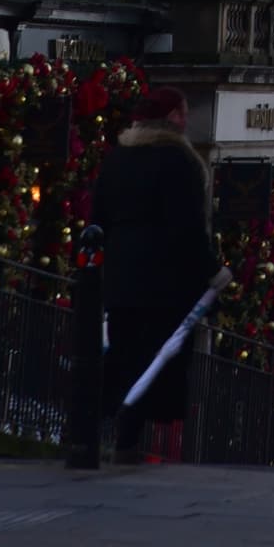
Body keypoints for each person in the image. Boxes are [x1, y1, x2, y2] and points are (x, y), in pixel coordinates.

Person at [91, 84, 216, 466]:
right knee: (155, 359)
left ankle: (96, 432)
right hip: (163, 280)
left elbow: (98, 219)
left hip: (119, 276)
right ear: (172, 118)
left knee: (122, 353)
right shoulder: (179, 162)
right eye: (182, 113)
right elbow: (187, 227)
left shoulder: (116, 159)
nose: (186, 120)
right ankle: (127, 436)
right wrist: (212, 272)